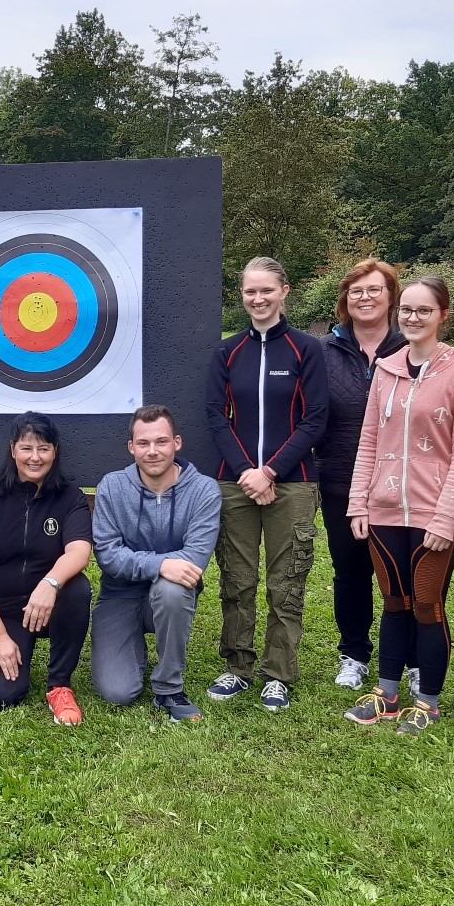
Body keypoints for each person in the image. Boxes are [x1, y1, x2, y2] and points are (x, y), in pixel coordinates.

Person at [343, 277, 454, 735]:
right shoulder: (386, 370)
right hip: (383, 510)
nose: (413, 318)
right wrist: (358, 503)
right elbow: (368, 441)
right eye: (406, 309)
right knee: (393, 602)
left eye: (424, 310)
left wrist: (446, 517)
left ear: (443, 314)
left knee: (427, 604)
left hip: (433, 515)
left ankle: (428, 702)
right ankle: (386, 695)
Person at [204, 257, 328, 712]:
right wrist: (247, 473)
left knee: (286, 582)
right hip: (235, 483)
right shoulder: (227, 351)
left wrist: (271, 471)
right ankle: (238, 666)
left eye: (267, 291)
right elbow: (217, 417)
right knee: (237, 580)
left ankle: (278, 673)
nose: (258, 299)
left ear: (284, 292)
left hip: (292, 483)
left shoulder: (306, 349)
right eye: (250, 291)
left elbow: (316, 419)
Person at [315, 259, 410, 692]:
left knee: (402, 573)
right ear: (344, 300)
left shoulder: (412, 349)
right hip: (339, 477)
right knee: (350, 571)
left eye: (374, 289)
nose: (365, 298)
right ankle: (353, 652)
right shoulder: (322, 351)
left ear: (391, 297)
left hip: (401, 484)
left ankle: (408, 657)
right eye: (356, 291)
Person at [92, 405, 221, 722]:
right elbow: (107, 555)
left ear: (177, 443)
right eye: (144, 443)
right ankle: (128, 645)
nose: (152, 451)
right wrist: (161, 565)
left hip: (170, 596)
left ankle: (168, 688)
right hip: (119, 595)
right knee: (117, 692)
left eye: (161, 442)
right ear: (131, 447)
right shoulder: (112, 486)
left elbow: (192, 563)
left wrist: (163, 571)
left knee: (173, 588)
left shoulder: (204, 490)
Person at [0, 412, 93, 725]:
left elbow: (79, 552)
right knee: (1, 697)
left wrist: (49, 585)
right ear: (13, 450)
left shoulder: (70, 497)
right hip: (5, 611)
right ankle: (14, 643)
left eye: (43, 448)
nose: (35, 458)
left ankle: (60, 685)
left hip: (50, 606)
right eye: (26, 448)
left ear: (55, 451)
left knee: (77, 588)